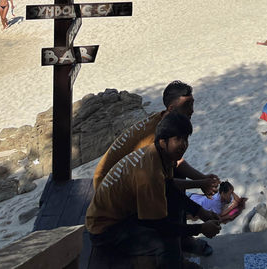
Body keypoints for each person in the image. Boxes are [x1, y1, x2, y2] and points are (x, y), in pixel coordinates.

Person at [86, 112, 221, 268]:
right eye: (178, 139)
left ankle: (182, 247)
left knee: (174, 208)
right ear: (163, 142)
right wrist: (200, 228)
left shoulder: (158, 154)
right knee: (165, 240)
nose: (184, 144)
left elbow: (170, 189)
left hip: (121, 214)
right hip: (105, 230)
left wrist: (200, 212)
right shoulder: (150, 174)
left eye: (186, 139)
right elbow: (161, 226)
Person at [94, 80, 219, 196]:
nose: (192, 110)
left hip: (120, 178)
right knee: (168, 184)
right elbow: (161, 183)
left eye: (192, 104)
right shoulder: (156, 136)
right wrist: (200, 183)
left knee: (176, 172)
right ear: (171, 109)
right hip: (108, 188)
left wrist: (202, 178)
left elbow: (176, 162)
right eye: (186, 105)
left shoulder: (163, 120)